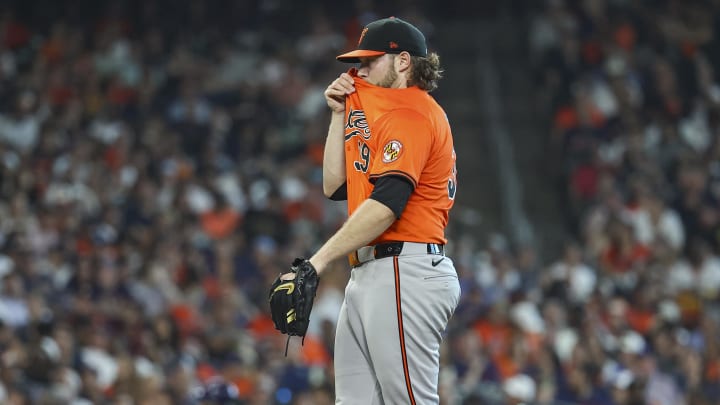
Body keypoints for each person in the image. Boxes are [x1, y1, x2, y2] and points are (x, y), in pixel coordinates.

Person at [285, 16, 461, 404]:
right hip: (374, 271)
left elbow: (386, 207)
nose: (358, 71)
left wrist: (318, 261)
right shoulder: (386, 117)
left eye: (369, 61)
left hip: (404, 269)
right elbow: (335, 186)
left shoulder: (411, 113)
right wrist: (336, 114)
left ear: (402, 62)